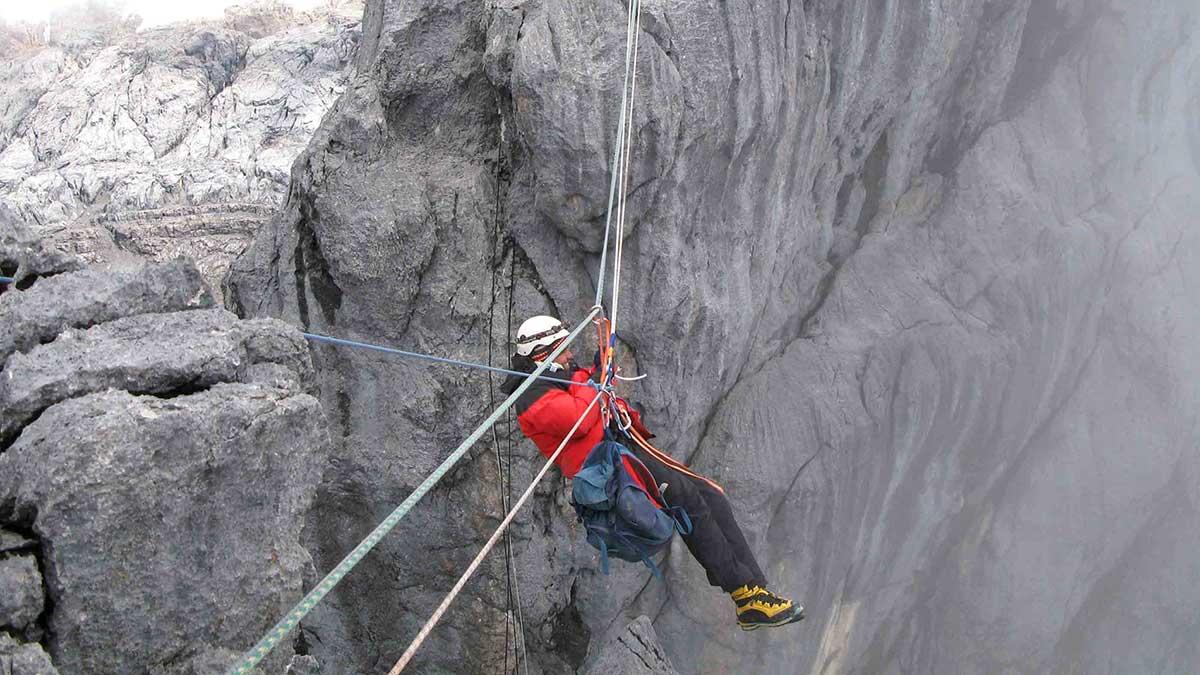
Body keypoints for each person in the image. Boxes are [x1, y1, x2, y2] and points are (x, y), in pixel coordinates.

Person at [500, 315, 805, 631]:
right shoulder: (532, 397)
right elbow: (580, 415)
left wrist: (601, 361)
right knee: (687, 499)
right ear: (541, 355)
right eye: (561, 350)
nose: (567, 355)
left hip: (621, 449)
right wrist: (598, 379)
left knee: (711, 496)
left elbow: (587, 385)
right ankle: (744, 593)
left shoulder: (558, 375)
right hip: (609, 467)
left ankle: (755, 592)